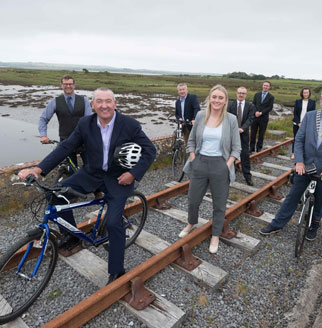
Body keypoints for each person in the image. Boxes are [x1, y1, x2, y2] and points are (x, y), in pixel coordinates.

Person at [19, 87, 156, 284]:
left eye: (108, 101)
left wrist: (133, 173)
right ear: (92, 105)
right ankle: (72, 235)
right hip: (91, 174)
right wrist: (39, 170)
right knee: (56, 195)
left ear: (115, 104)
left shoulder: (129, 125)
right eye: (99, 101)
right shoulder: (85, 123)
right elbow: (66, 147)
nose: (104, 105)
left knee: (113, 223)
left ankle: (117, 271)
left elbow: (149, 151)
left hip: (119, 178)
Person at [259, 85, 322, 241]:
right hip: (305, 166)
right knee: (292, 196)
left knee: (320, 200)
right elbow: (299, 139)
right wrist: (299, 161)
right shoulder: (310, 116)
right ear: (321, 100)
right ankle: (277, 223)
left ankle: (314, 225)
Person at [180, 85, 241, 254]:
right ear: (209, 98)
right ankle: (191, 223)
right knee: (193, 199)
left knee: (219, 204)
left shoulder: (231, 119)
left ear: (225, 101)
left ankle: (215, 234)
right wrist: (193, 159)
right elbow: (191, 141)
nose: (217, 100)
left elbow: (237, 148)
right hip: (199, 163)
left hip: (220, 165)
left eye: (221, 98)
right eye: (214, 97)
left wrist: (227, 165)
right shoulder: (200, 115)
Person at [38, 75, 92, 166]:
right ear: (61, 85)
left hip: (83, 140)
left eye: (70, 84)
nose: (68, 86)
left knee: (90, 167)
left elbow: (89, 120)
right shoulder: (55, 101)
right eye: (65, 84)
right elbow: (44, 119)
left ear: (74, 85)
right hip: (65, 140)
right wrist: (43, 135)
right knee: (71, 169)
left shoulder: (84, 100)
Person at [227, 86, 256, 186]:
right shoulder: (231, 104)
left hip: (243, 134)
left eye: (243, 93)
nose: (241, 95)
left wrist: (242, 128)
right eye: (239, 92)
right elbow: (227, 118)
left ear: (246, 94)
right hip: (231, 134)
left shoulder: (250, 106)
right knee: (229, 154)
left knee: (245, 155)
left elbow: (250, 119)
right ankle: (229, 174)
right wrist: (234, 129)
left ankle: (247, 176)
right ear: (236, 93)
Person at [292, 87, 316, 160]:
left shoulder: (312, 102)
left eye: (307, 93)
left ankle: (303, 153)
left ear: (309, 93)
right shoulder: (298, 101)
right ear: (302, 93)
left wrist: (305, 123)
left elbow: (312, 114)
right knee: (296, 138)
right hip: (297, 123)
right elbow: (295, 113)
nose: (305, 94)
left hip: (307, 124)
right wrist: (298, 122)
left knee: (306, 139)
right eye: (304, 93)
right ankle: (293, 153)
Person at [250, 81, 274, 153]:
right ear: (262, 86)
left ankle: (259, 148)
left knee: (261, 134)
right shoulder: (257, 94)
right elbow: (253, 104)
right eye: (264, 85)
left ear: (269, 87)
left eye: (267, 86)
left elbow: (270, 107)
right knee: (253, 133)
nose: (265, 87)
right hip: (255, 117)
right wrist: (255, 112)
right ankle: (251, 148)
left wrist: (261, 113)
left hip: (263, 118)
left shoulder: (271, 97)